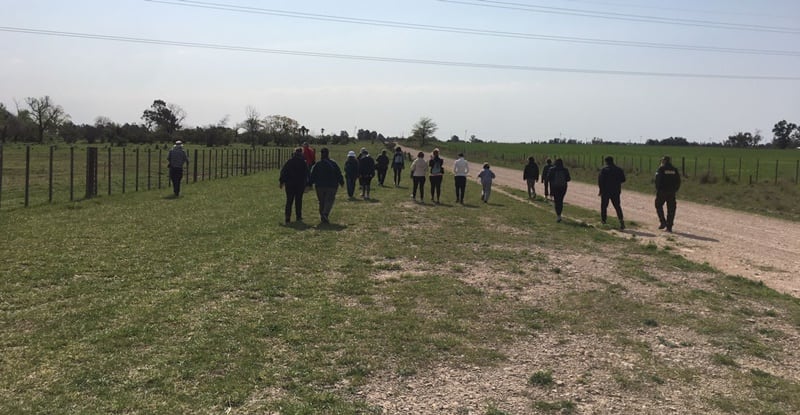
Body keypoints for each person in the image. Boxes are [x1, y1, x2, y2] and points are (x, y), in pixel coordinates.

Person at [309, 147, 344, 224]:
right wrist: (341, 182)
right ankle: (325, 214)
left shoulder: (317, 164)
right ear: (328, 154)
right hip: (332, 186)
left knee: (321, 201)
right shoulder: (333, 163)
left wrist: (309, 183)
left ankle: (322, 215)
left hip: (319, 186)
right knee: (329, 200)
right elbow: (338, 173)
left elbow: (313, 175)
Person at [279, 147, 309, 223]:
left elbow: (283, 172)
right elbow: (306, 174)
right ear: (301, 153)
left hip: (289, 184)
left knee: (289, 200)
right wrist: (307, 184)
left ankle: (287, 217)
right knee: (298, 200)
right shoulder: (303, 162)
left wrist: (281, 182)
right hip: (300, 184)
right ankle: (298, 216)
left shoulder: (289, 161)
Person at [598, 156, 626, 230]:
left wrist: (600, 190)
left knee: (604, 206)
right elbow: (623, 179)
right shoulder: (619, 169)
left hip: (605, 191)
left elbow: (600, 181)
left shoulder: (604, 170)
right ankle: (621, 222)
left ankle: (603, 221)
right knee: (617, 206)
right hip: (616, 191)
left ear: (606, 161)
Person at [655, 155, 681, 232]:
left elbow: (657, 180)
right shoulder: (674, 169)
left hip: (662, 191)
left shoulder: (661, 169)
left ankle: (663, 222)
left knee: (658, 205)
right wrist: (675, 190)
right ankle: (669, 226)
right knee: (671, 209)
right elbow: (678, 181)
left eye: (662, 160)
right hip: (672, 192)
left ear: (664, 161)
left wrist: (658, 189)